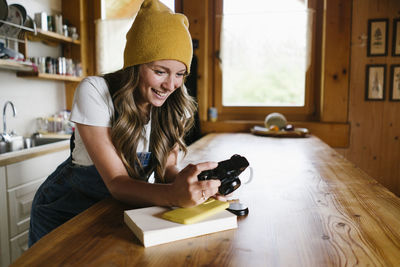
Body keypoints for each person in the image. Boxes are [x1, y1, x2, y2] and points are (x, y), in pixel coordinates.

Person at [28, 0, 222, 247]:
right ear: (136, 64)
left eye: (180, 74)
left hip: (117, 213)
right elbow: (118, 183)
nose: (171, 85)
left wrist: (198, 185)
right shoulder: (95, 91)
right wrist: (174, 196)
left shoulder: (171, 105)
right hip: (64, 212)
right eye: (160, 71)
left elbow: (167, 171)